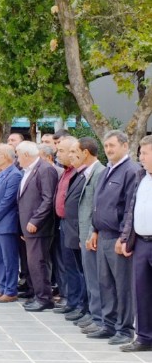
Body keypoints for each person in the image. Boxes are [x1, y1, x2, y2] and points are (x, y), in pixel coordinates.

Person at [87, 130, 139, 344]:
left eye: (112, 146)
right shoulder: (107, 170)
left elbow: (130, 208)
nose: (108, 149)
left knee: (122, 285)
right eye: (106, 146)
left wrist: (124, 238)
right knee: (105, 283)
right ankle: (108, 325)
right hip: (103, 235)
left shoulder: (131, 171)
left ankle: (125, 329)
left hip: (118, 237)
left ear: (125, 146)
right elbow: (98, 204)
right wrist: (95, 230)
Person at [118, 134, 152, 352]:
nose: (141, 157)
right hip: (141, 242)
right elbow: (131, 210)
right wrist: (125, 237)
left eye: (145, 153)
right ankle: (144, 337)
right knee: (142, 291)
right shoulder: (141, 176)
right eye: (140, 152)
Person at [16, 141, 58, 311]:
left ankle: (44, 298)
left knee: (38, 262)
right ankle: (37, 294)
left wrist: (35, 220)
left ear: (26, 155)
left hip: (39, 227)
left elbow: (48, 199)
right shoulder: (28, 170)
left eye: (18, 155)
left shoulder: (44, 169)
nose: (17, 158)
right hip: (27, 225)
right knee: (32, 262)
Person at [70, 137, 105, 333]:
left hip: (92, 235)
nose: (72, 155)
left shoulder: (99, 172)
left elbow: (96, 207)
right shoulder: (89, 172)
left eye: (76, 151)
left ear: (85, 152)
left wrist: (92, 232)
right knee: (90, 277)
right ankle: (94, 314)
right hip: (85, 233)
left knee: (95, 278)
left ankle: (98, 317)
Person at [0, 144, 23, 302]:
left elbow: (8, 200)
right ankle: (2, 286)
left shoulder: (14, 175)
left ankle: (10, 290)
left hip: (6, 223)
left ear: (7, 157)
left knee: (9, 259)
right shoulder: (0, 174)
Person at [54, 136, 85, 319]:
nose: (61, 154)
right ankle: (72, 301)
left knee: (76, 267)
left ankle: (80, 304)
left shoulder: (78, 173)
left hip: (75, 226)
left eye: (63, 151)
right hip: (63, 223)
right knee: (68, 266)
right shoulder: (65, 172)